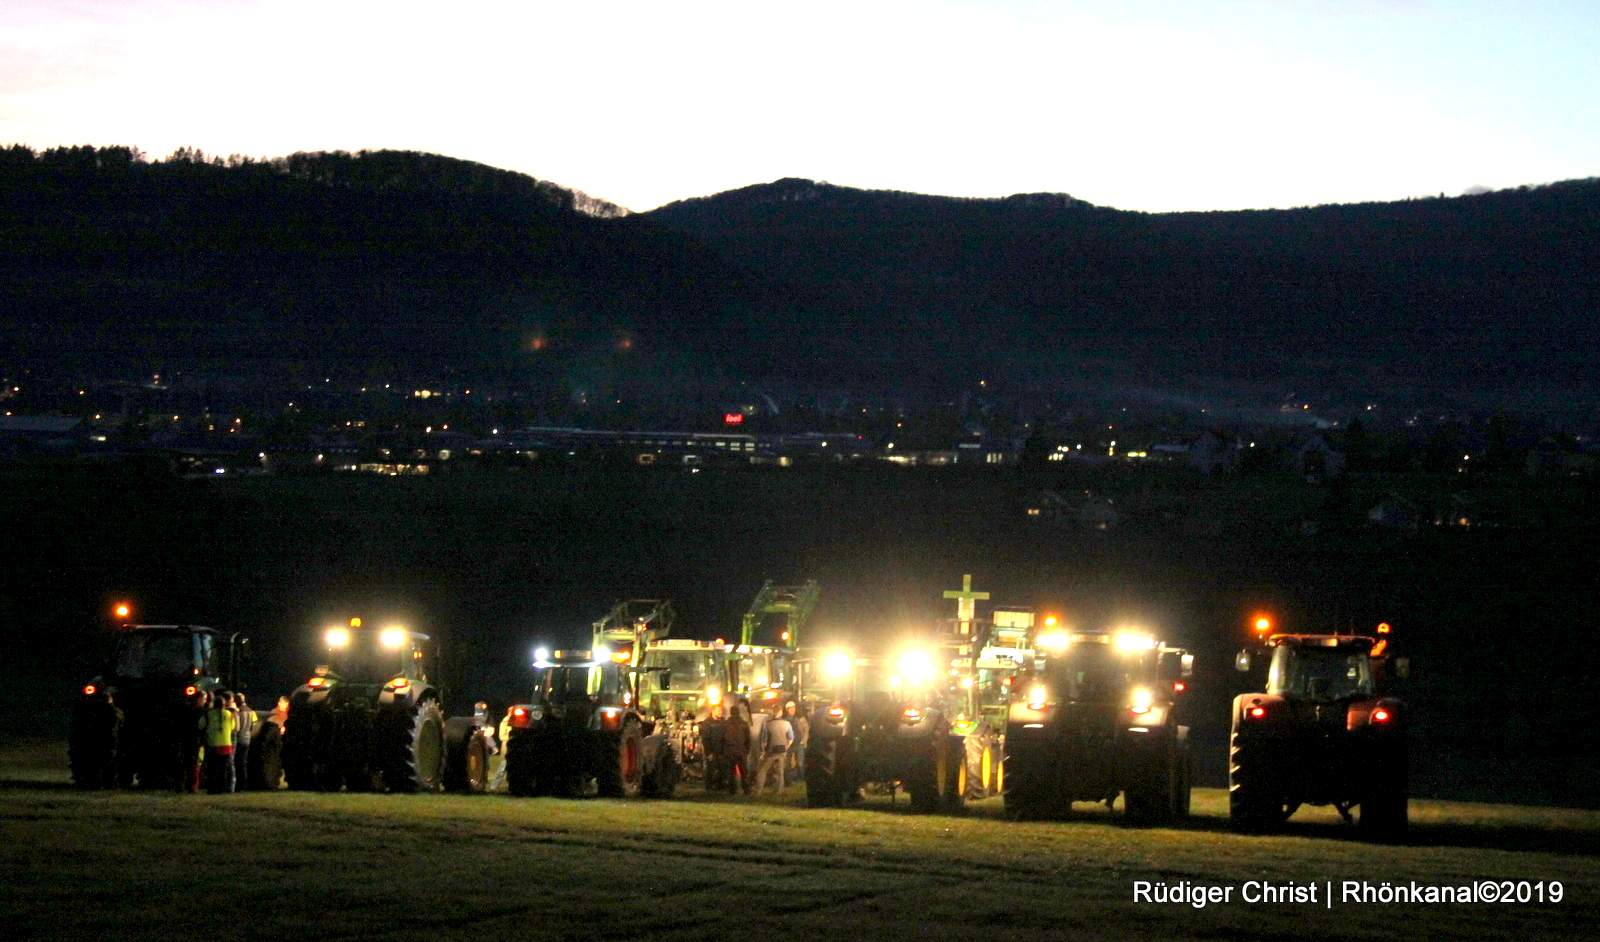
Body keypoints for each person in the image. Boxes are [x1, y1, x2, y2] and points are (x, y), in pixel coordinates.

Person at [753, 708, 794, 796]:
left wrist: (763, 751)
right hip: (782, 750)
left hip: (771, 751)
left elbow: (764, 740)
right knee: (780, 771)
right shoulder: (787, 723)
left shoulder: (768, 724)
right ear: (781, 713)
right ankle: (780, 791)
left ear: (773, 713)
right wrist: (786, 747)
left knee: (762, 770)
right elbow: (791, 738)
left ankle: (758, 790)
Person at [203, 691, 237, 794]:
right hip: (226, 746)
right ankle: (221, 789)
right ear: (224, 704)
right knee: (223, 770)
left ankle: (212, 789)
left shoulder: (208, 714)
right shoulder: (229, 714)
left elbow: (201, 725)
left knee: (212, 769)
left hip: (213, 745)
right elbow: (233, 727)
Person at [182, 691, 209, 793]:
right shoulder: (202, 712)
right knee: (195, 764)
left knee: (190, 763)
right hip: (197, 741)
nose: (205, 701)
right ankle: (193, 786)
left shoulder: (188, 710)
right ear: (199, 699)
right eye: (204, 699)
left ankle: (187, 784)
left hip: (190, 739)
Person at [724, 701, 751, 794]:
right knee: (744, 772)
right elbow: (748, 738)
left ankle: (732, 790)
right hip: (741, 750)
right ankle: (746, 789)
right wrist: (747, 750)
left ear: (731, 712)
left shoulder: (726, 724)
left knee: (731, 772)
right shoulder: (743, 723)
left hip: (730, 750)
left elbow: (722, 738)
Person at [232, 692, 255, 791]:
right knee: (244, 762)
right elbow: (252, 725)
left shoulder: (238, 712)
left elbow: (237, 727)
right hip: (247, 738)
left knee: (238, 763)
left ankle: (239, 785)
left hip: (240, 739)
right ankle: (244, 784)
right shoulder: (251, 711)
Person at [784, 700, 809, 785]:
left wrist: (803, 741)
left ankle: (801, 779)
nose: (793, 710)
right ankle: (789, 780)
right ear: (787, 710)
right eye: (791, 708)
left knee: (800, 763)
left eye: (794, 708)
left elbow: (806, 730)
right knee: (788, 764)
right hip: (789, 745)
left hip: (799, 744)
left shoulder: (801, 719)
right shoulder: (784, 720)